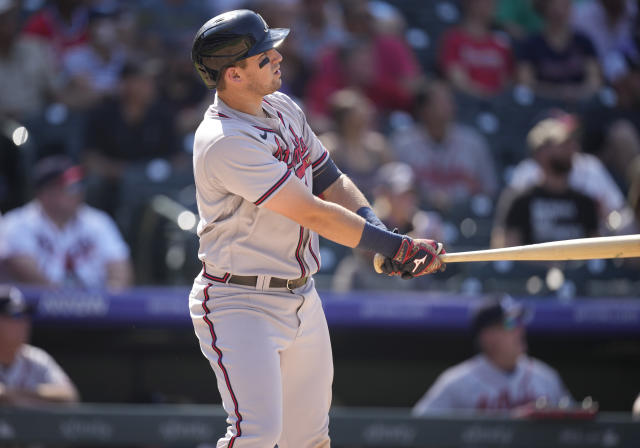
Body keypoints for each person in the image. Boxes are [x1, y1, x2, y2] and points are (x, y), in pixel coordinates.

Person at [188, 10, 446, 447]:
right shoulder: (223, 140)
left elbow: (329, 179)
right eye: (263, 55)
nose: (277, 56)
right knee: (257, 434)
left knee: (308, 439)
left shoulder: (283, 107)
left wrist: (382, 238)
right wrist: (394, 246)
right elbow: (312, 212)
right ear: (233, 74)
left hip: (301, 295)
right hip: (240, 300)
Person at [412, 295, 572, 414]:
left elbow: (575, 430)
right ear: (487, 336)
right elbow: (419, 428)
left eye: (520, 322)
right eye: (511, 323)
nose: (519, 329)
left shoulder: (546, 377)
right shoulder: (456, 383)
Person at [0, 155, 133, 290]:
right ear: (46, 193)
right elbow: (24, 271)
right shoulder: (17, 223)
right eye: (71, 188)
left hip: (96, 307)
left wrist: (106, 303)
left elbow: (120, 270)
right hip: (33, 309)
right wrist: (68, 303)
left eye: (79, 186)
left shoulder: (99, 222)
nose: (79, 192)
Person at [492, 111, 599, 247]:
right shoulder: (520, 202)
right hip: (530, 268)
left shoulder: (585, 203)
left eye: (572, 143)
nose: (572, 149)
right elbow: (506, 251)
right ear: (541, 152)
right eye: (563, 144)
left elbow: (595, 253)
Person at [390, 80, 498, 211]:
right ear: (423, 109)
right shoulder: (402, 144)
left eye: (449, 101)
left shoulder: (473, 141)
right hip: (418, 216)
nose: (449, 106)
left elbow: (489, 189)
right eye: (440, 102)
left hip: (466, 215)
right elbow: (394, 191)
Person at [0, 285, 79, 405]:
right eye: (15, 316)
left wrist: (11, 394)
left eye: (25, 316)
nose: (24, 324)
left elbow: (70, 396)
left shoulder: (35, 358)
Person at [516, 0, 601, 103]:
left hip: (581, 106)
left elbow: (595, 82)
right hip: (542, 107)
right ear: (545, 8)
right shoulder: (530, 44)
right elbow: (526, 84)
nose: (561, 9)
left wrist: (576, 93)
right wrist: (559, 92)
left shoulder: (583, 42)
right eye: (556, 4)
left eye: (566, 4)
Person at [438, 0, 515, 97]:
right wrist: (483, 94)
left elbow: (506, 81)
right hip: (467, 100)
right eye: (487, 2)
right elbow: (456, 79)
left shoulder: (500, 42)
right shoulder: (454, 38)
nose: (492, 6)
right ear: (471, 3)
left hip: (498, 102)